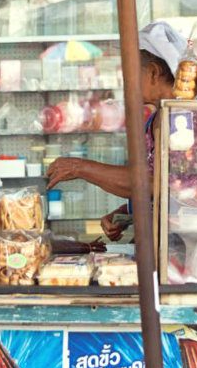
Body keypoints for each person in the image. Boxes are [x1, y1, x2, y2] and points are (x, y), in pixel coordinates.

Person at [46, 21, 186, 241]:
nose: (126, 82)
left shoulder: (184, 118)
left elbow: (159, 183)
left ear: (153, 73)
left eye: (130, 73)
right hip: (163, 240)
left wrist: (79, 167)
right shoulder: (158, 116)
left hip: (186, 246)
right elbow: (154, 189)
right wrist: (127, 212)